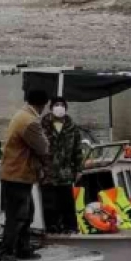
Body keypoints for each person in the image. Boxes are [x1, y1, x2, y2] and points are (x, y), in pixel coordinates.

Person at [0, 89, 51, 261]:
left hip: (16, 174)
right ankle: (7, 251)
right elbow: (43, 148)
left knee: (26, 214)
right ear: (42, 104)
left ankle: (23, 249)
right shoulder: (29, 122)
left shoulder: (22, 115)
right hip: (17, 175)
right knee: (17, 216)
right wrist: (47, 165)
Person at [40, 97, 84, 232]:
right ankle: (51, 228)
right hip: (47, 172)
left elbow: (78, 150)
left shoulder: (72, 127)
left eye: (62, 105)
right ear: (51, 107)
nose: (59, 107)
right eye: (56, 105)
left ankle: (71, 228)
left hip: (65, 172)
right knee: (49, 203)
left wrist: (79, 169)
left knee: (68, 203)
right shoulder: (42, 125)